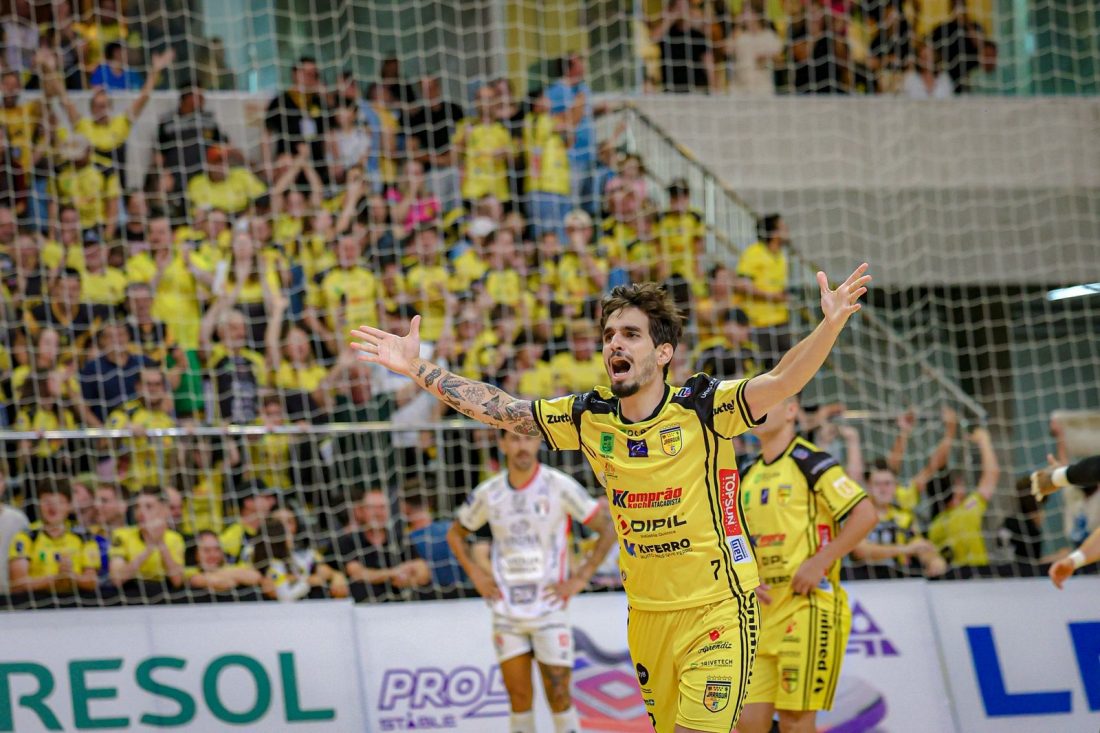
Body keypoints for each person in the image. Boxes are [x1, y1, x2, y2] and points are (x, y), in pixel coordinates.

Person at [352, 263, 871, 733]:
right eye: (608, 336)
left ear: (663, 352)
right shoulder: (589, 416)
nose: (613, 345)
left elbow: (784, 379)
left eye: (629, 334)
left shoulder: (705, 406)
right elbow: (504, 410)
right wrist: (418, 370)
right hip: (646, 614)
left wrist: (830, 324)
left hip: (717, 608)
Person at [446, 429, 615, 733]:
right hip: (506, 611)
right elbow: (455, 534)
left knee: (560, 697)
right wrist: (478, 576)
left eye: (526, 438)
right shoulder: (489, 493)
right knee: (519, 699)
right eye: (513, 439)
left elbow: (607, 530)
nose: (521, 446)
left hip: (549, 608)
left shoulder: (559, 486)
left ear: (538, 441)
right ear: (502, 444)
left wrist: (579, 579)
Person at [736, 395, 876, 733]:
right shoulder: (747, 473)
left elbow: (865, 514)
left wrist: (820, 561)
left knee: (796, 722)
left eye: (766, 401)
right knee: (747, 723)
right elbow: (735, 537)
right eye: (753, 403)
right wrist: (746, 576)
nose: (757, 409)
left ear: (791, 411)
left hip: (808, 606)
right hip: (763, 612)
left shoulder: (811, 462)